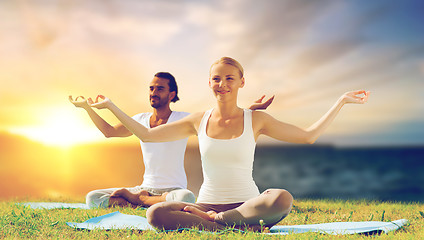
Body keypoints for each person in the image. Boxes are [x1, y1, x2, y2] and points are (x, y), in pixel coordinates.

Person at [86, 57, 370, 231]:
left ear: (241, 82)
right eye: (216, 78)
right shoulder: (197, 120)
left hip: (247, 202)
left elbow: (308, 135)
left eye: (229, 78)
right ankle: (233, 224)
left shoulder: (256, 120)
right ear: (210, 83)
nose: (222, 84)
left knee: (281, 197)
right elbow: (146, 134)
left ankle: (219, 222)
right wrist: (110, 105)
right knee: (155, 213)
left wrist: (340, 102)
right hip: (207, 201)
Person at [69, 72, 273, 209]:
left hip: (172, 192)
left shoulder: (182, 119)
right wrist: (87, 109)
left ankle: (141, 201)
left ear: (171, 94)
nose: (153, 93)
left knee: (186, 199)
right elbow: (109, 131)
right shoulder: (139, 120)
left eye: (159, 89)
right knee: (92, 198)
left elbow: (220, 121)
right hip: (145, 188)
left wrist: (250, 111)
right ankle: (142, 200)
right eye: (151, 88)